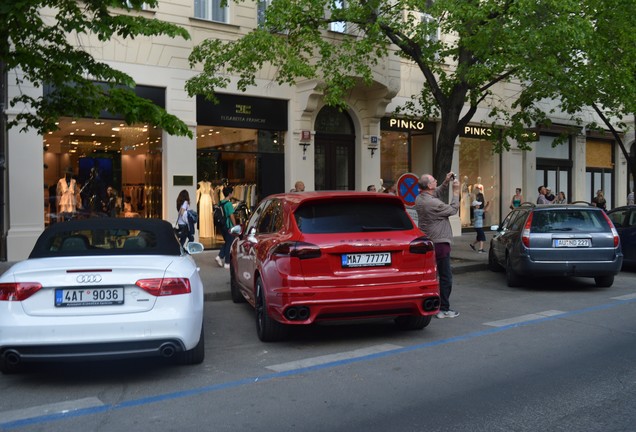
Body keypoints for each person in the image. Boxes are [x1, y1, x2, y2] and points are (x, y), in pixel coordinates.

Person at [415, 172, 460, 319]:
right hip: (440, 243)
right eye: (434, 180)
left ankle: (433, 305)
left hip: (429, 241)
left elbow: (436, 194)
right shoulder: (432, 203)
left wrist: (445, 181)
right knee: (445, 276)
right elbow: (453, 209)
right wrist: (456, 192)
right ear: (429, 185)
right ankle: (444, 309)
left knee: (433, 276)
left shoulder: (421, 198)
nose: (436, 181)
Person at [215, 186, 237, 269]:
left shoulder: (220, 202)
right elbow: (231, 216)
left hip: (222, 226)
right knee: (230, 243)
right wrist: (235, 226)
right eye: (232, 192)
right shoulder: (228, 204)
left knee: (228, 241)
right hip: (228, 226)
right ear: (230, 193)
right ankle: (227, 262)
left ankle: (220, 256)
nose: (233, 194)